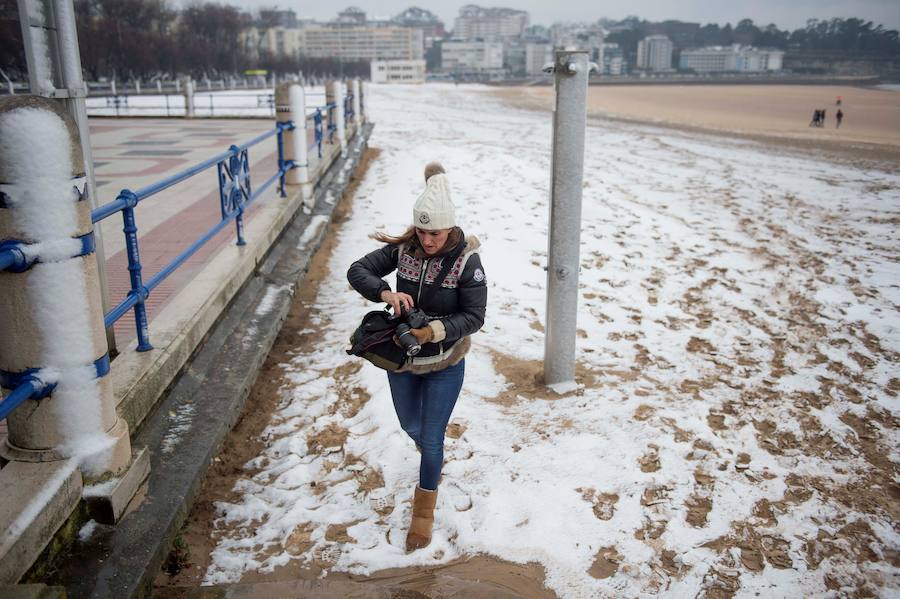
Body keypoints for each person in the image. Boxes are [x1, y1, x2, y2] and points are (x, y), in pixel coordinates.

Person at [347, 162, 487, 552]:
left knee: (432, 436)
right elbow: (358, 269)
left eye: (435, 233)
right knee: (412, 427)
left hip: (446, 363)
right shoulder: (404, 250)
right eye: (422, 231)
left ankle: (423, 514)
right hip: (403, 361)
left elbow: (475, 317)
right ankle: (431, 455)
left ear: (450, 228)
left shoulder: (467, 263)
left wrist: (433, 332)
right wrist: (384, 293)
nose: (426, 240)